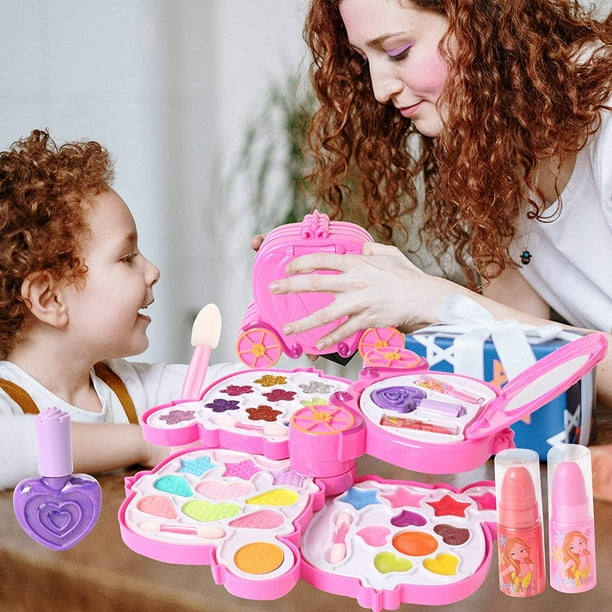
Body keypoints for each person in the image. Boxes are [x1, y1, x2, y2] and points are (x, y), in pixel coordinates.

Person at [260, 2, 612, 494]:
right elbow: (516, 349)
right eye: (366, 60)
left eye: (399, 51)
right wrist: (385, 304)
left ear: (486, 19)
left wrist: (433, 299)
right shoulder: (495, 139)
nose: (381, 88)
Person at [0, 130, 235, 490]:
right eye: (127, 258)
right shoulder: (7, 399)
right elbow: (12, 445)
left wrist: (294, 328)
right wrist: (143, 443)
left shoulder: (130, 389)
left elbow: (237, 386)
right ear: (49, 299)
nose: (153, 271)